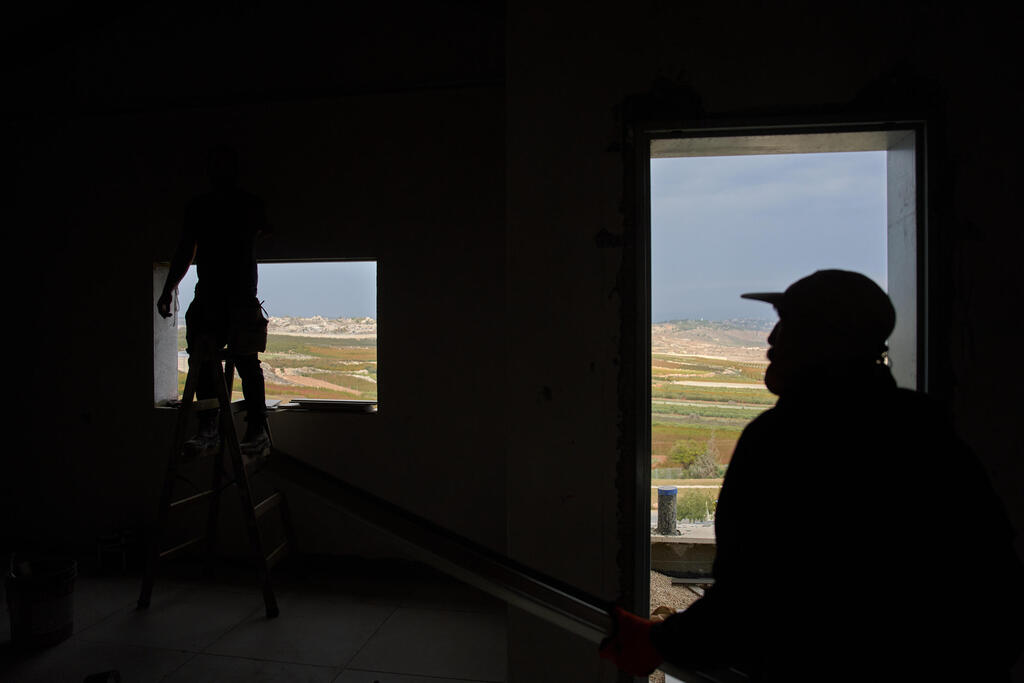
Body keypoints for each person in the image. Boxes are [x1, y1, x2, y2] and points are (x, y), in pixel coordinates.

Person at [600, 270, 1024, 682]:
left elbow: (748, 605)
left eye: (786, 326)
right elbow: (995, 588)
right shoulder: (928, 432)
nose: (770, 339)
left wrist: (659, 642)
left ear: (824, 343)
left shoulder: (781, 442)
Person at [156, 144, 271, 461]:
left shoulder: (202, 207)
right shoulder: (248, 205)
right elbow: (186, 250)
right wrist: (167, 289)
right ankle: (252, 431)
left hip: (216, 297)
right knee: (242, 363)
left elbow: (185, 250)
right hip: (234, 297)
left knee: (209, 360)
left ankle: (212, 428)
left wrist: (168, 290)